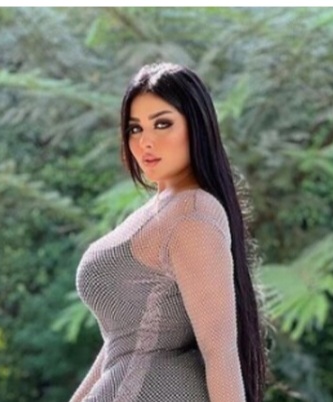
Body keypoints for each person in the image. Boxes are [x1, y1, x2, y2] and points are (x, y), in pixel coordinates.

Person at [71, 62, 266, 402]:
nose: (145, 141)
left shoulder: (193, 215)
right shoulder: (166, 208)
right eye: (135, 128)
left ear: (197, 126)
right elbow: (123, 345)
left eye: (162, 124)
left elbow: (220, 351)